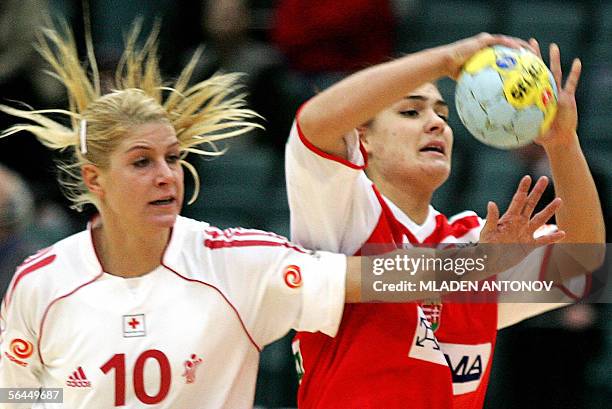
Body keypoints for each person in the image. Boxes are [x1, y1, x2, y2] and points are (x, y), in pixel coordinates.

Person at [0, 24, 564, 408]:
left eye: (173, 158)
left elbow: (368, 279)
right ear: (95, 180)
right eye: (142, 162)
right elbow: (19, 394)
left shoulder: (236, 264)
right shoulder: (40, 281)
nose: (166, 175)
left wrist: (480, 267)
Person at [285, 33, 605, 408]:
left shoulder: (476, 242)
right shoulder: (343, 212)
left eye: (443, 113)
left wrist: (563, 143)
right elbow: (315, 124)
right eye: (411, 111)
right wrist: (444, 60)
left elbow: (581, 264)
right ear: (362, 139)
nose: (436, 123)